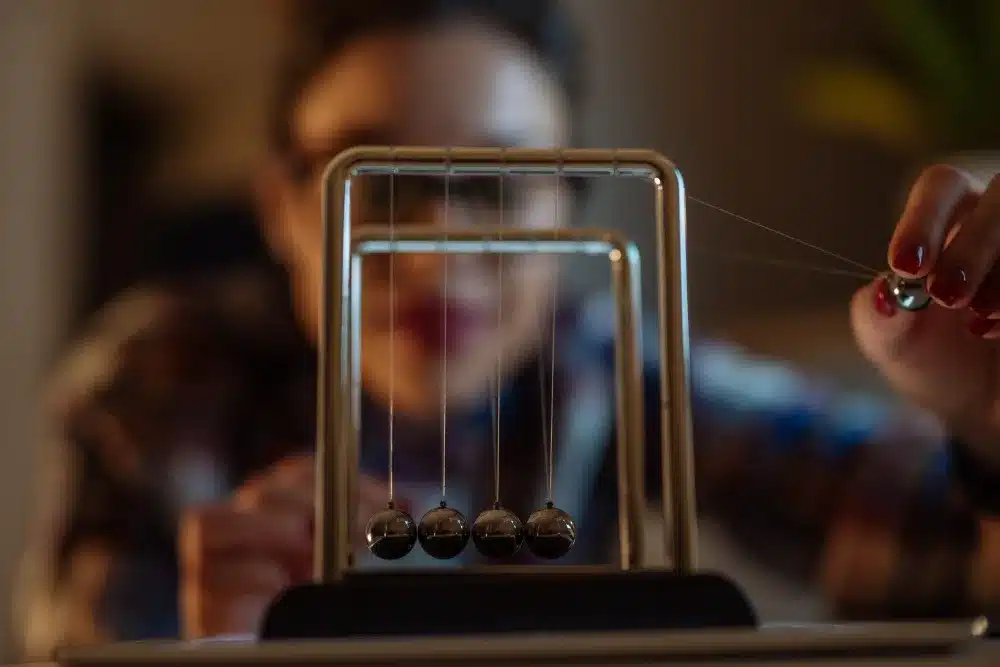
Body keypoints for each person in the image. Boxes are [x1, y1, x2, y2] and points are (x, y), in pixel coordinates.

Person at [13, 0, 1000, 657]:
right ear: (279, 206)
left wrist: (985, 421)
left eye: (494, 180)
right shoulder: (157, 385)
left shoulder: (624, 379)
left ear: (568, 205)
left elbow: (949, 555)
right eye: (381, 180)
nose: (441, 250)